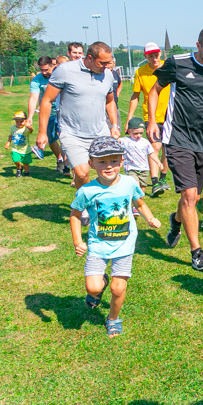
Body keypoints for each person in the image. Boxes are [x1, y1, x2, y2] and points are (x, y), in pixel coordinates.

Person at [146, 27, 203, 271]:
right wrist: (153, 121)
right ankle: (197, 252)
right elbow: (155, 89)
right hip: (177, 137)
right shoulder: (177, 63)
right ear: (198, 45)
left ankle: (176, 221)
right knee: (188, 196)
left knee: (194, 196)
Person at [69, 136, 161, 338]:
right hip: (98, 246)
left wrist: (150, 218)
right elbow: (75, 216)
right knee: (92, 288)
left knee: (118, 289)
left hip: (124, 245)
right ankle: (99, 284)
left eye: (113, 161)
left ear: (121, 161)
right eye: (102, 161)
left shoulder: (129, 183)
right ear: (91, 163)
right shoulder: (86, 191)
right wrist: (78, 241)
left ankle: (113, 319)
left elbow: (140, 203)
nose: (108, 166)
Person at [36, 42, 119, 190]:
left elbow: (110, 101)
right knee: (82, 174)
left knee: (108, 173)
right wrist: (42, 132)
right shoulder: (65, 71)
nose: (106, 66)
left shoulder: (107, 74)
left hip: (100, 133)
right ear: (89, 58)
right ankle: (86, 207)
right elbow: (47, 101)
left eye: (108, 62)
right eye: (102, 62)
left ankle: (103, 205)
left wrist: (114, 125)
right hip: (72, 133)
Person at [125, 42, 171, 197]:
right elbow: (135, 96)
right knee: (155, 147)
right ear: (145, 56)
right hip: (151, 116)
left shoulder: (169, 67)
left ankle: (163, 178)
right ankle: (155, 181)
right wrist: (129, 119)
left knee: (167, 149)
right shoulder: (140, 72)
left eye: (156, 54)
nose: (154, 58)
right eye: (150, 55)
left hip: (170, 115)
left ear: (161, 54)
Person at [25, 56, 65, 173]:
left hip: (62, 111)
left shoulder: (59, 76)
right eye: (41, 70)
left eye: (46, 70)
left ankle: (68, 166)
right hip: (47, 112)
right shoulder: (37, 80)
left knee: (64, 137)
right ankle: (59, 159)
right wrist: (30, 117)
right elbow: (33, 98)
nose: (43, 72)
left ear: (52, 66)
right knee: (51, 139)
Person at [120, 117, 162, 198]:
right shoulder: (125, 141)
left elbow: (151, 153)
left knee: (142, 189)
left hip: (144, 169)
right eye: (135, 133)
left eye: (141, 133)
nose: (138, 135)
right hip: (131, 168)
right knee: (136, 186)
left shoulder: (145, 142)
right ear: (129, 131)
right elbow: (115, 140)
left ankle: (139, 205)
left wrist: (158, 162)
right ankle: (134, 204)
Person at [5, 111, 33, 177]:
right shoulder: (12, 128)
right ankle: (19, 169)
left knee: (26, 163)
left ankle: (26, 172)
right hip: (15, 149)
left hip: (25, 149)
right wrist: (8, 142)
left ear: (25, 121)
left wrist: (29, 127)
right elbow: (11, 135)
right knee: (16, 160)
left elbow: (31, 131)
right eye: (17, 121)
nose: (19, 123)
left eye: (21, 121)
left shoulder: (25, 128)